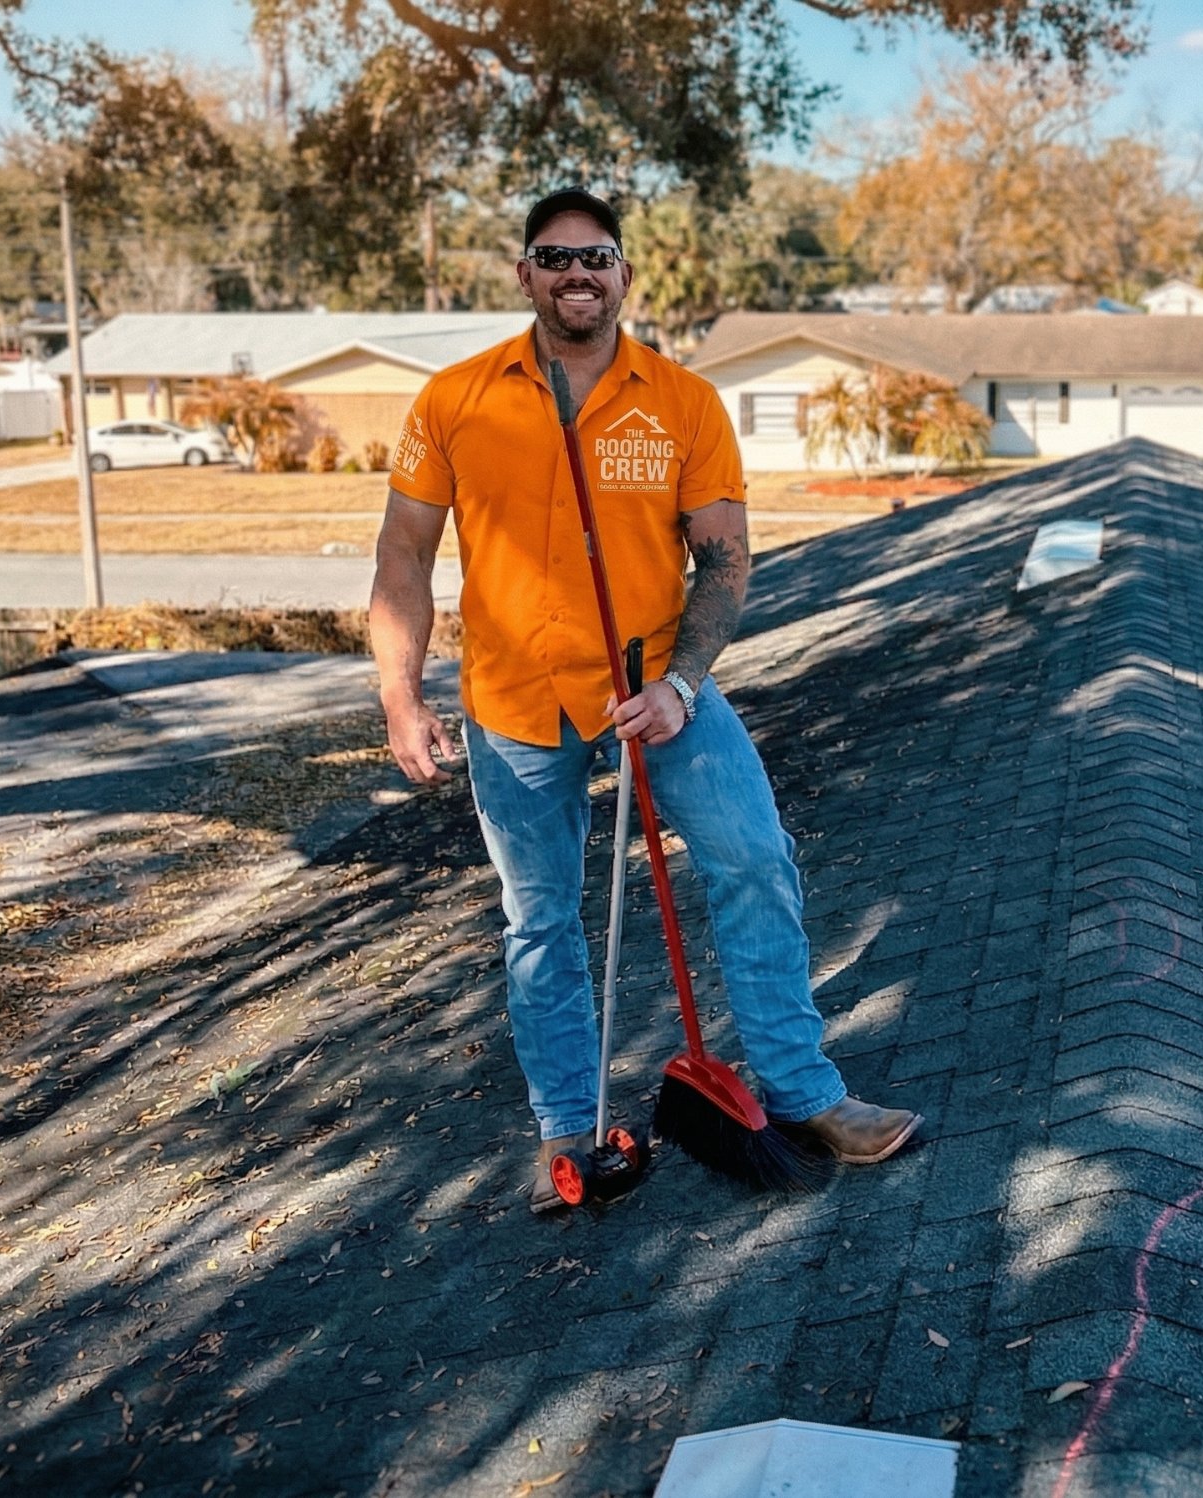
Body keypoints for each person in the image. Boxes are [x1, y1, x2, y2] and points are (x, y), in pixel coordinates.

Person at [369, 187, 921, 1213]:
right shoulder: (452, 399)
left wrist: (678, 683)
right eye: (554, 256)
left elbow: (723, 561)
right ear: (523, 273)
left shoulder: (681, 402)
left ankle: (803, 1095)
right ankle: (570, 1136)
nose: (577, 274)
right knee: (540, 922)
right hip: (513, 703)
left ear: (625, 273)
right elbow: (403, 554)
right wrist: (400, 694)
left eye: (596, 257)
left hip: (654, 686)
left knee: (754, 856)